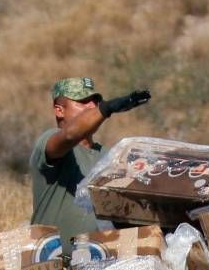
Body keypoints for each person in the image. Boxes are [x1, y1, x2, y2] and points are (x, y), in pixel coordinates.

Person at [29, 76, 150, 239]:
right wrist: (106, 109)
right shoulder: (49, 141)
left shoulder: (112, 156)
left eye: (95, 101)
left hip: (101, 253)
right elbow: (70, 135)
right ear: (59, 110)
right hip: (54, 254)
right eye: (83, 101)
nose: (93, 106)